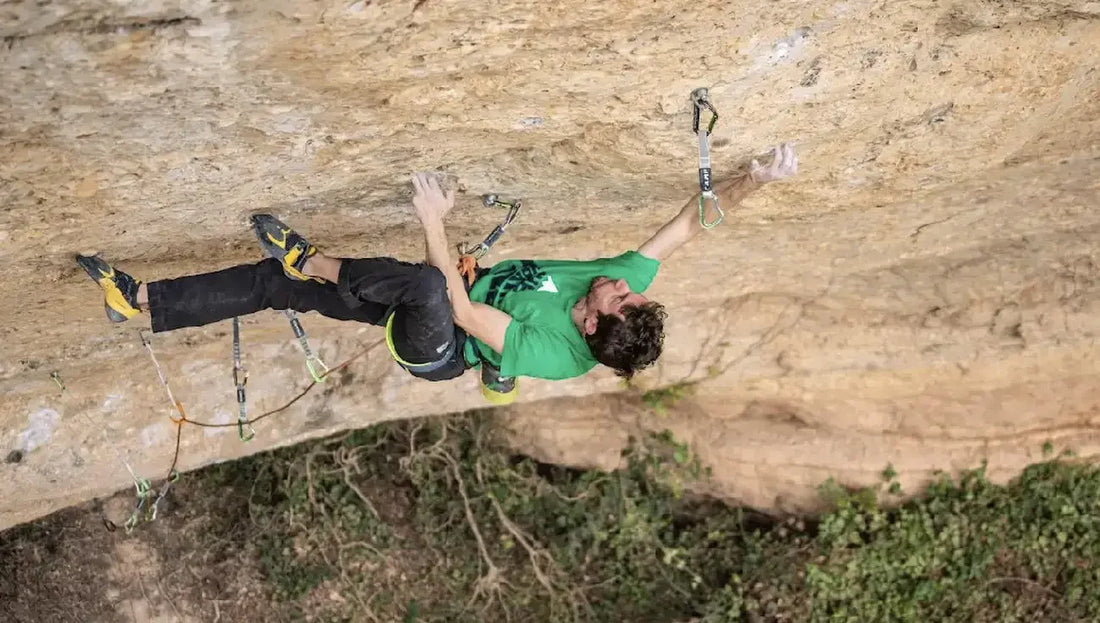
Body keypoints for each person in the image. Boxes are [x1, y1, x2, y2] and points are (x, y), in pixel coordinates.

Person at [77, 143, 797, 400]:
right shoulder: (615, 290)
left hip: (437, 346)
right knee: (275, 290)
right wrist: (754, 181)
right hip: (420, 295)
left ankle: (314, 258)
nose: (624, 283)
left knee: (422, 286)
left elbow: (452, 305)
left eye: (619, 296)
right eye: (627, 288)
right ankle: (141, 301)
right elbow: (689, 224)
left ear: (593, 322)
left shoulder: (553, 353)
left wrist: (432, 216)